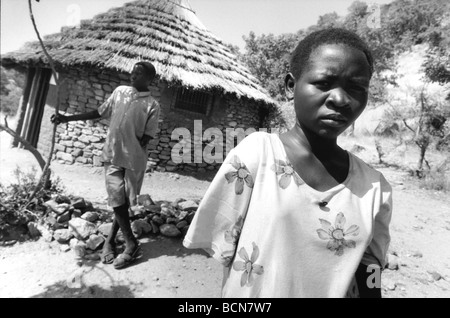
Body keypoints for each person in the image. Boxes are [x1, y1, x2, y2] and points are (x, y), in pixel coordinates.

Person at [183, 28, 392, 298]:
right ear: (291, 85)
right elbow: (224, 248)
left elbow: (370, 275)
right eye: (324, 83)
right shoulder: (256, 155)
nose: (340, 99)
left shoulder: (375, 188)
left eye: (356, 88)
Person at [52, 61, 160, 269]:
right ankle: (131, 243)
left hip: (133, 160)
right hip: (111, 154)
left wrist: (130, 147)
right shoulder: (119, 92)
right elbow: (99, 112)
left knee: (122, 202)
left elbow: (146, 137)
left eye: (138, 73)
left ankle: (109, 242)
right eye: (132, 72)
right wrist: (67, 118)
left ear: (149, 79)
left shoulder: (152, 105)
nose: (133, 75)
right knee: (116, 198)